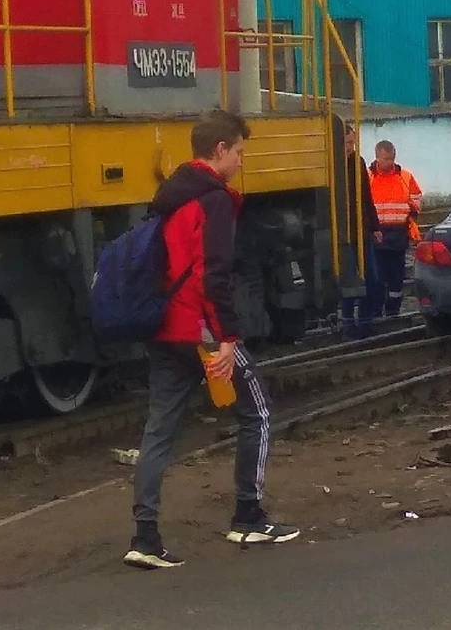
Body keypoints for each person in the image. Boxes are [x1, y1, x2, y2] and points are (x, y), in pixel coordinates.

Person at [124, 110, 299, 571]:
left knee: (158, 431)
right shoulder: (215, 200)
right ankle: (249, 516)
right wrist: (226, 340)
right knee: (256, 412)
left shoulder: (169, 194)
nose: (241, 161)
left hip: (163, 326)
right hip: (200, 331)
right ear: (219, 150)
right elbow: (213, 275)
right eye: (239, 152)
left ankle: (145, 537)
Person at [368, 140, 422, 317]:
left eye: (391, 159)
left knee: (396, 279)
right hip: (376, 235)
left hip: (398, 235)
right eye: (385, 159)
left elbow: (417, 198)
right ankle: (376, 311)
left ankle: (393, 311)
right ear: (377, 157)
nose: (389, 163)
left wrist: (412, 207)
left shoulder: (405, 177)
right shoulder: (367, 177)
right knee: (377, 279)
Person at [341, 124, 382, 338]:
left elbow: (367, 196)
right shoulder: (332, 166)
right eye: (348, 143)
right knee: (348, 280)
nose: (351, 146)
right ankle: (347, 324)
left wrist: (375, 227)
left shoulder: (357, 162)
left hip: (361, 231)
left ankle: (365, 322)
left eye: (353, 142)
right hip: (343, 234)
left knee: (372, 280)